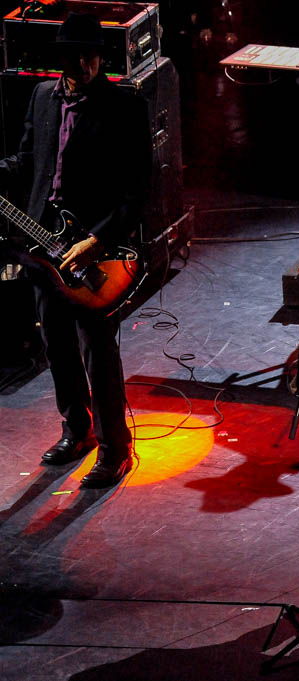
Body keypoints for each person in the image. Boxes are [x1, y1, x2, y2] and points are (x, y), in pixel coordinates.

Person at [0, 13, 151, 488]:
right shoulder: (42, 97)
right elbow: (29, 161)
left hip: (93, 251)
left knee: (97, 351)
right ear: (61, 58)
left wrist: (96, 241)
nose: (84, 63)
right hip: (42, 245)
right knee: (57, 347)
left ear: (100, 56)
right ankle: (77, 430)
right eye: (75, 55)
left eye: (91, 55)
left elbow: (137, 191)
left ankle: (115, 448)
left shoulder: (125, 106)